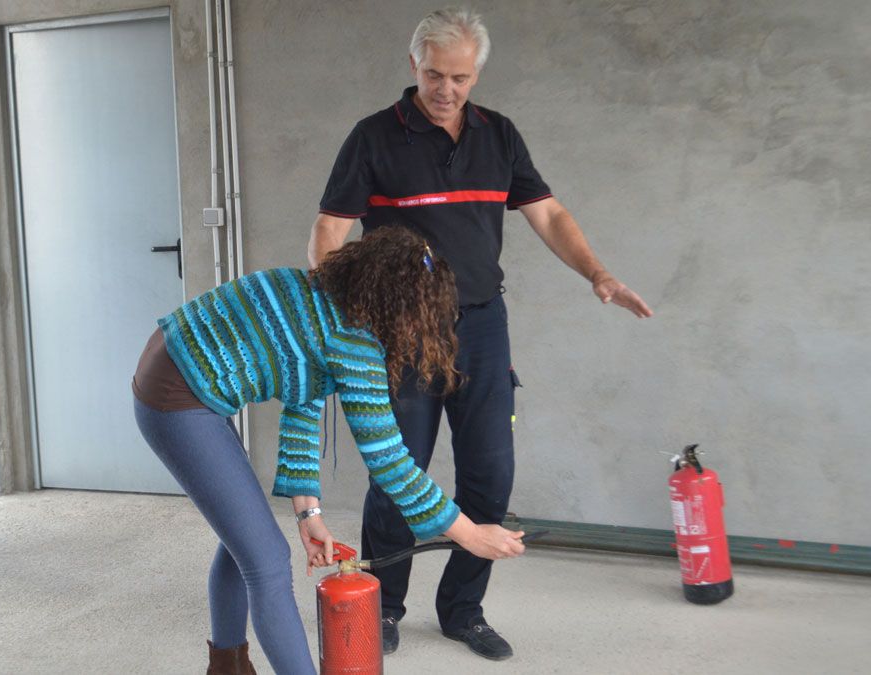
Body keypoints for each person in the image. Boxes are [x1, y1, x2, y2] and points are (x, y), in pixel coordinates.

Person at [308, 6, 654, 662]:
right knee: (396, 475)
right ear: (414, 65)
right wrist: (332, 312)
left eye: (460, 77)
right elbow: (330, 228)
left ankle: (462, 607)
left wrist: (597, 273)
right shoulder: (374, 137)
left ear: (476, 73)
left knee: (492, 476)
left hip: (484, 326)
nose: (446, 89)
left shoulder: (499, 136)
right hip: (402, 327)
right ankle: (381, 602)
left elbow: (547, 213)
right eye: (435, 73)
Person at [133, 227, 527, 674]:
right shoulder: (353, 343)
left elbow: (303, 403)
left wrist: (308, 513)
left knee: (244, 539)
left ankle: (226, 667)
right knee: (268, 565)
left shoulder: (319, 294)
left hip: (177, 369)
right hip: (178, 399)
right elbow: (392, 463)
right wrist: (471, 535)